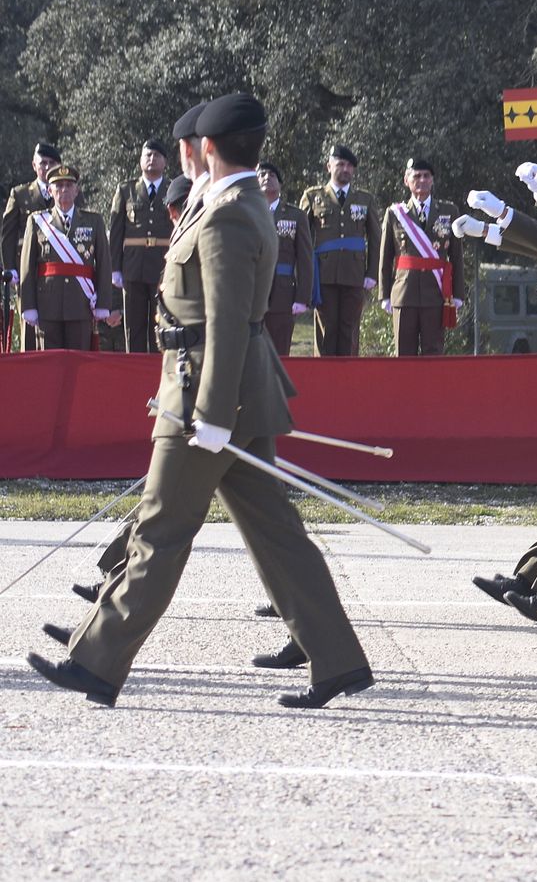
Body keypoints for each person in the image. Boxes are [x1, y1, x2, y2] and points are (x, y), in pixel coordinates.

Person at [27, 92, 373, 709]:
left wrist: (211, 416)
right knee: (275, 532)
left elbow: (228, 321)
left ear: (207, 148)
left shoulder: (233, 212)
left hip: (208, 393)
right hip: (217, 388)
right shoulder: (226, 203)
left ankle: (97, 663)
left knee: (161, 525)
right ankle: (339, 660)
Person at [18, 165, 117, 350]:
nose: (64, 189)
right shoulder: (37, 221)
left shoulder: (94, 221)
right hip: (48, 305)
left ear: (76, 190)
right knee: (49, 366)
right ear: (49, 190)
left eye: (69, 185)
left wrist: (103, 303)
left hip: (80, 304)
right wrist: (28, 305)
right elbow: (27, 268)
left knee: (79, 366)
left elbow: (104, 264)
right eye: (58, 185)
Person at [377, 157, 464, 356]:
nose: (422, 180)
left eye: (426, 176)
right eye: (416, 176)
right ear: (406, 180)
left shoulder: (449, 211)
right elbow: (385, 257)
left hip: (435, 295)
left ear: (433, 180)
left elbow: (456, 257)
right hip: (403, 294)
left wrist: (458, 294)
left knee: (433, 353)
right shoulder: (395, 213)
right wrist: (384, 295)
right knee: (404, 354)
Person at [299, 144, 380, 355]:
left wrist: (372, 273)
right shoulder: (313, 196)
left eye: (350, 166)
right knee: (326, 330)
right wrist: (304, 278)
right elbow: (302, 241)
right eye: (341, 164)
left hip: (354, 276)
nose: (346, 169)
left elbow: (375, 238)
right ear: (329, 166)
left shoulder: (365, 199)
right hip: (323, 276)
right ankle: (324, 382)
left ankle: (349, 382)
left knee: (350, 331)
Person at [108, 139, 175, 352]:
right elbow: (117, 232)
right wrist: (115, 268)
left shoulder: (174, 190)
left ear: (165, 162)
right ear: (140, 161)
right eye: (147, 155)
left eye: (157, 155)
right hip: (133, 268)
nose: (152, 159)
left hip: (163, 269)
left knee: (161, 326)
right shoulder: (126, 190)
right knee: (134, 328)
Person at [3, 142, 64, 350]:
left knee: (56, 325)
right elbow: (8, 235)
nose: (47, 168)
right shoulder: (20, 194)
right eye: (43, 163)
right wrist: (9, 267)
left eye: (51, 163)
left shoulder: (69, 191)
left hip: (58, 270)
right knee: (29, 322)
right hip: (27, 269)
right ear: (34, 165)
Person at [257, 162, 313, 355]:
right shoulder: (245, 212)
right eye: (262, 174)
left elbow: (305, 259)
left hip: (283, 294)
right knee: (253, 353)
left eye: (272, 174)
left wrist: (302, 297)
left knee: (280, 353)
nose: (266, 177)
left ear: (280, 184)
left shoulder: (295, 215)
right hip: (252, 292)